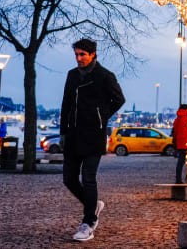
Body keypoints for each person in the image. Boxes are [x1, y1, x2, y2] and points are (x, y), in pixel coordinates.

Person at [60, 38, 125, 242]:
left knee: (88, 178)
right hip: (73, 135)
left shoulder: (104, 76)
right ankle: (94, 204)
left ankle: (88, 223)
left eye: (83, 55)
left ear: (93, 54)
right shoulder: (72, 75)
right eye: (77, 54)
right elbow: (66, 104)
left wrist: (101, 115)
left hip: (94, 135)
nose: (79, 58)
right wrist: (63, 132)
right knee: (69, 179)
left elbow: (119, 99)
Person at [172, 104, 187, 183]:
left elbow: (175, 131)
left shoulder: (177, 119)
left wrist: (175, 141)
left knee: (180, 162)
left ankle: (178, 179)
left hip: (181, 143)